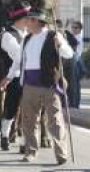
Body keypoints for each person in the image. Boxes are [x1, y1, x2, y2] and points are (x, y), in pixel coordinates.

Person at [11, 9, 73, 164]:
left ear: (37, 21)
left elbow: (69, 54)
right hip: (29, 85)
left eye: (29, 20)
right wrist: (8, 76)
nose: (26, 23)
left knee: (55, 120)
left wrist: (61, 45)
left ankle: (61, 153)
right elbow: (19, 60)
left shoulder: (53, 36)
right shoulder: (27, 39)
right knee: (28, 121)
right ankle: (30, 152)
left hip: (49, 85)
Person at [0, 0, 31, 152]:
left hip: (31, 76)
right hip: (15, 76)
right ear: (20, 19)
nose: (30, 20)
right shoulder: (8, 36)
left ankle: (24, 142)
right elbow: (19, 56)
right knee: (11, 109)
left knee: (29, 109)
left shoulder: (30, 34)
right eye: (28, 17)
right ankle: (4, 134)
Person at [70, 20, 84, 108]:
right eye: (72, 27)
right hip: (74, 62)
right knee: (74, 85)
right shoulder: (74, 37)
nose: (74, 29)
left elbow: (75, 52)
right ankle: (74, 104)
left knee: (74, 85)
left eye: (76, 28)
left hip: (76, 62)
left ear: (80, 29)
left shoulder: (77, 38)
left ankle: (75, 104)